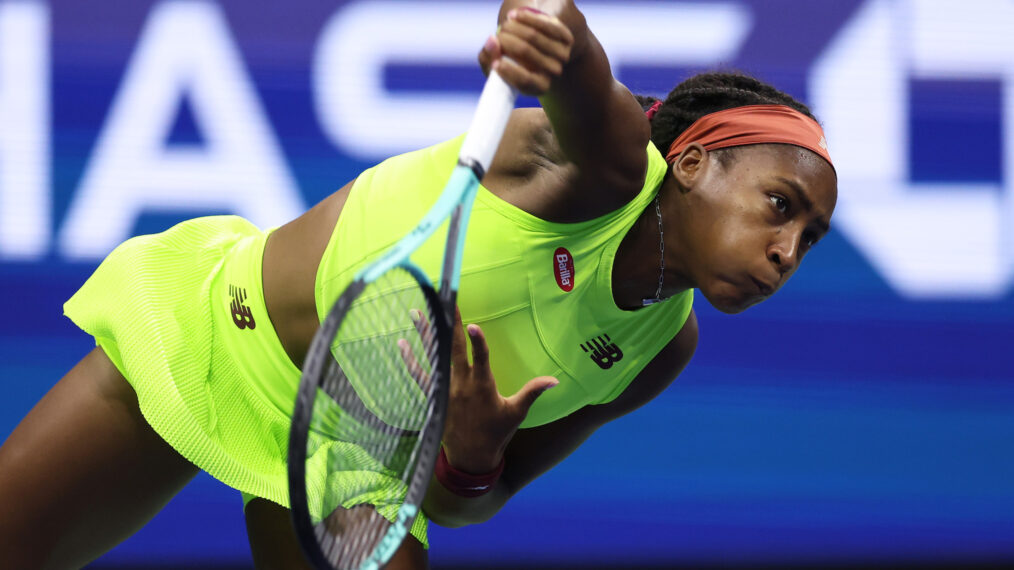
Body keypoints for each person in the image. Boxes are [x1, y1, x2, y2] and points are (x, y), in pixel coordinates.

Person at [0, 0, 837, 568]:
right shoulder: (610, 170)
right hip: (224, 341)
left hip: (363, 472)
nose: (786, 252)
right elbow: (579, 68)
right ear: (691, 164)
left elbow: (477, 500)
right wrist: (554, 34)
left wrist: (471, 459)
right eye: (779, 205)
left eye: (808, 238)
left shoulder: (662, 347)